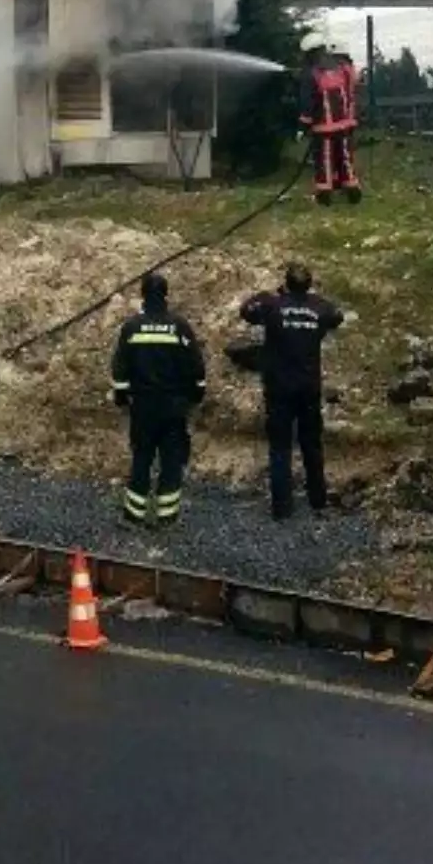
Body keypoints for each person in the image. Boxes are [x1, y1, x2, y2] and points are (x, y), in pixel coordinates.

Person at [231, 264, 344, 520]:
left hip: (279, 387)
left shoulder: (273, 305)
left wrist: (268, 294)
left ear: (286, 284)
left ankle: (282, 508)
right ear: (309, 284)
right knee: (311, 445)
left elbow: (246, 311)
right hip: (308, 387)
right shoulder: (319, 307)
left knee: (280, 447)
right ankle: (318, 500)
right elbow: (337, 316)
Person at [110, 272, 206, 525]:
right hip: (174, 407)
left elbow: (120, 367)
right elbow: (195, 365)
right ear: (166, 294)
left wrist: (122, 396)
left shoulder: (132, 327)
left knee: (141, 458)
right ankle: (167, 516)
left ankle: (133, 515)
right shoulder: (179, 326)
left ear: (143, 295)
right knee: (171, 460)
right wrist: (196, 393)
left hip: (143, 407)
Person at [298, 32, 362, 205]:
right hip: (346, 124)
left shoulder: (311, 73)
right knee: (345, 157)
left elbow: (308, 101)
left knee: (324, 160)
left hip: (323, 128)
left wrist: (304, 124)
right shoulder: (341, 69)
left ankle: (324, 195)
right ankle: (352, 189)